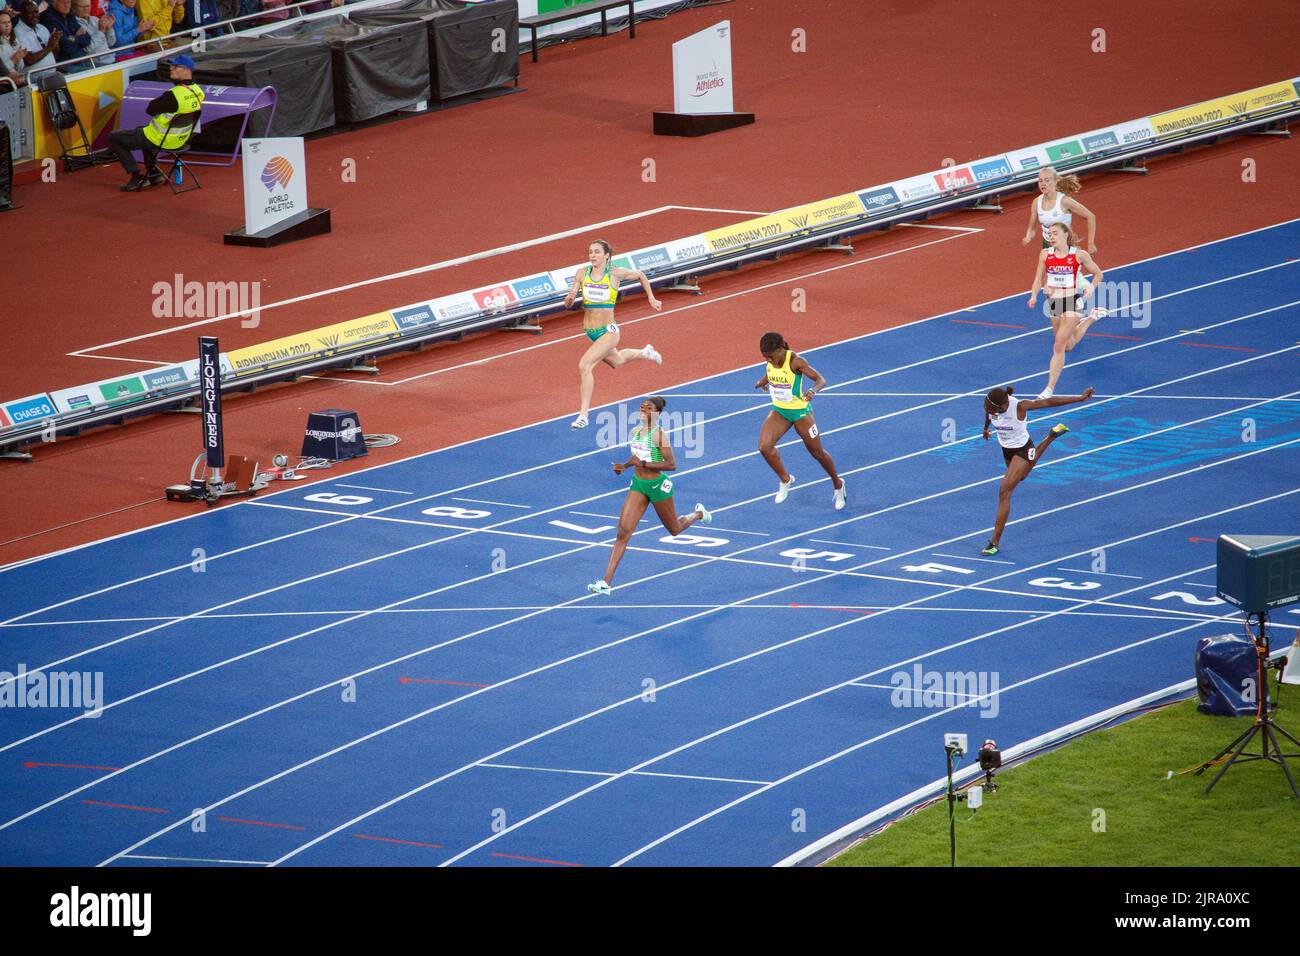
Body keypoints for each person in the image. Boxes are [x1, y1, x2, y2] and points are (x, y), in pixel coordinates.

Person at [587, 396, 711, 595]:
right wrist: (625, 466)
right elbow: (637, 457)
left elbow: (671, 465)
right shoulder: (635, 432)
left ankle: (698, 514)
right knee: (622, 533)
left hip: (657, 485)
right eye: (642, 405)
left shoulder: (659, 435)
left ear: (657, 413)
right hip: (638, 485)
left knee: (675, 530)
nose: (643, 408)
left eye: (649, 406)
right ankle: (606, 583)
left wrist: (642, 465)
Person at [563, 239, 664, 430]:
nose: (592, 255)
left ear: (606, 255)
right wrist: (568, 300)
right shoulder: (582, 273)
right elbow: (569, 300)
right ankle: (645, 352)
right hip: (591, 332)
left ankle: (584, 415)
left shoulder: (615, 273)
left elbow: (641, 275)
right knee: (617, 361)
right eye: (590, 252)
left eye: (597, 252)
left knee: (585, 365)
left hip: (609, 331)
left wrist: (651, 297)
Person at [980, 384, 1093, 555]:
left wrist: (1079, 398)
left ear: (1004, 406)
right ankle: (1051, 436)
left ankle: (994, 542)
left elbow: (1049, 402)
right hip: (1006, 449)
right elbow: (989, 415)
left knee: (1005, 491)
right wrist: (986, 428)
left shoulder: (1019, 406)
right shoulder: (993, 406)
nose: (992, 412)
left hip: (1022, 450)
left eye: (995, 410)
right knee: (1022, 477)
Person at [754, 331, 847, 509]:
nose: (769, 361)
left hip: (800, 413)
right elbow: (771, 372)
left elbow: (820, 379)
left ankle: (838, 484)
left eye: (771, 357)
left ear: (780, 349)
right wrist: (762, 381)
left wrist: (813, 391)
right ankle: (786, 479)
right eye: (765, 358)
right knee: (764, 447)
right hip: (780, 411)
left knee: (817, 453)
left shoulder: (796, 361)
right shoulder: (770, 360)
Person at [1028, 221, 1104, 400]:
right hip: (1053, 303)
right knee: (1068, 346)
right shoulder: (1045, 255)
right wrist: (1033, 296)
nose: (1050, 237)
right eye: (1049, 234)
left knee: (1058, 345)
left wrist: (1091, 288)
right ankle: (1091, 319)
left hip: (1073, 301)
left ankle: (1049, 388)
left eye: (1054, 233)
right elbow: (1038, 279)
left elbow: (1098, 273)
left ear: (1065, 234)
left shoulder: (1079, 255)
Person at [107, 52, 203, 191]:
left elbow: (150, 109)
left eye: (176, 67)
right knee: (143, 130)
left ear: (187, 70)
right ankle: (154, 174)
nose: (171, 69)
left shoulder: (173, 94)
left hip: (160, 139)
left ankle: (136, 176)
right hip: (181, 140)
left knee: (114, 137)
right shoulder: (198, 91)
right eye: (171, 66)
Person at [1021, 166, 1097, 255]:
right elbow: (1032, 228)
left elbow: (1090, 216)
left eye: (1047, 180)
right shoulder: (1036, 202)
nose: (1043, 184)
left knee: (1070, 268)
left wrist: (1090, 243)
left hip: (1065, 246)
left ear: (1055, 182)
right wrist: (1028, 236)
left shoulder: (1064, 201)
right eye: (1040, 181)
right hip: (1047, 246)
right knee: (1045, 268)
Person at [39, 0, 90, 71]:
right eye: (63, 2)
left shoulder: (69, 14)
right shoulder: (48, 17)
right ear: (54, 2)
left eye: (68, 2)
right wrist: (76, 37)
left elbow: (87, 38)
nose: (66, 5)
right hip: (64, 63)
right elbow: (65, 47)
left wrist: (72, 38)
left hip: (81, 58)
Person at [13, 1, 60, 75]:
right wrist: (49, 47)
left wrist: (55, 43)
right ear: (21, 15)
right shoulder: (18, 31)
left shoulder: (42, 28)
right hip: (34, 78)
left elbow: (55, 54)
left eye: (36, 12)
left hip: (53, 73)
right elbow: (29, 60)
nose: (35, 15)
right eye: (30, 13)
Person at [73, 0, 115, 66]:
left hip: (111, 59)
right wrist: (101, 31)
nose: (86, 9)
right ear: (74, 8)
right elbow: (88, 50)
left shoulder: (95, 19)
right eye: (82, 6)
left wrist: (109, 28)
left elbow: (111, 43)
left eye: (88, 6)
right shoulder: (75, 24)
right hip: (96, 64)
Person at [0, 10, 28, 85]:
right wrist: (13, 60)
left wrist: (19, 59)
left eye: (9, 22)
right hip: (4, 83)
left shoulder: (14, 39)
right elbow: (1, 71)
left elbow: (19, 69)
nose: (7, 25)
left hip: (17, 80)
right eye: (3, 23)